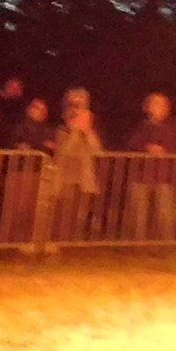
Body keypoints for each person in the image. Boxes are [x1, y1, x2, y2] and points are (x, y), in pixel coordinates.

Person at [126, 91, 176, 243]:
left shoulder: (175, 126)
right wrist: (146, 146)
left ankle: (166, 245)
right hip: (141, 174)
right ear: (146, 107)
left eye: (160, 104)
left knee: (165, 213)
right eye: (153, 104)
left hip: (165, 175)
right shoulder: (140, 125)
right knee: (138, 214)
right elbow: (131, 142)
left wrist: (164, 149)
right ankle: (137, 246)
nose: (156, 107)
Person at [0, 95, 54, 243]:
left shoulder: (48, 130)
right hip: (19, 172)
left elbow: (50, 148)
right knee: (14, 210)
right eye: (35, 108)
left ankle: (25, 242)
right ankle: (7, 242)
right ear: (28, 110)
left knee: (31, 211)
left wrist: (36, 147)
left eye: (42, 109)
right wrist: (39, 146)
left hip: (38, 174)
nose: (38, 112)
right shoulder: (20, 127)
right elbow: (16, 144)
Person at [51, 88, 103, 242]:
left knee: (81, 213)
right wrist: (74, 132)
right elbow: (62, 152)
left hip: (84, 176)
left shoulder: (89, 130)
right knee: (65, 212)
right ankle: (60, 242)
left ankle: (75, 243)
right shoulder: (61, 129)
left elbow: (98, 151)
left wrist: (87, 132)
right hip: (66, 176)